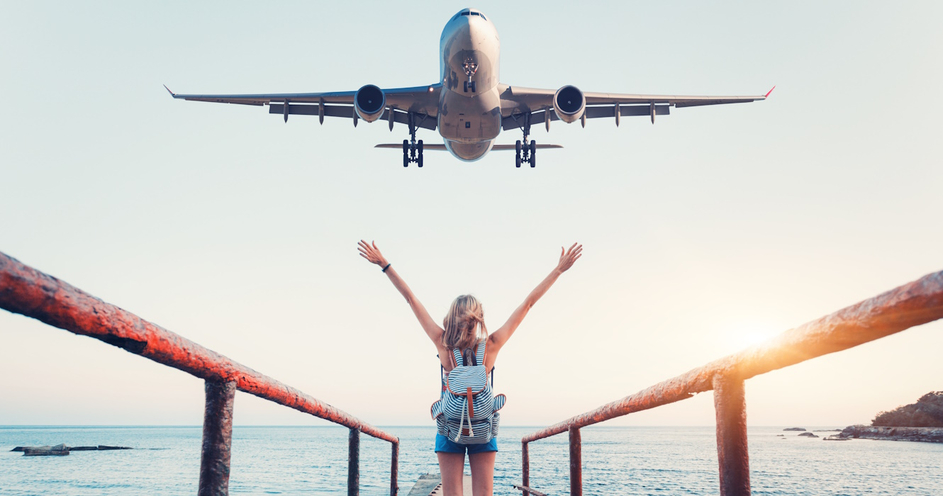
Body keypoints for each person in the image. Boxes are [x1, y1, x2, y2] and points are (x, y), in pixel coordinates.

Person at [357, 240, 583, 496]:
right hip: (483, 430)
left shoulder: (443, 344)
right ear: (479, 319)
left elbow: (410, 299)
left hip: (449, 428)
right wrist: (558, 270)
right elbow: (528, 304)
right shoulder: (492, 346)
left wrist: (384, 264)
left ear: (452, 317)